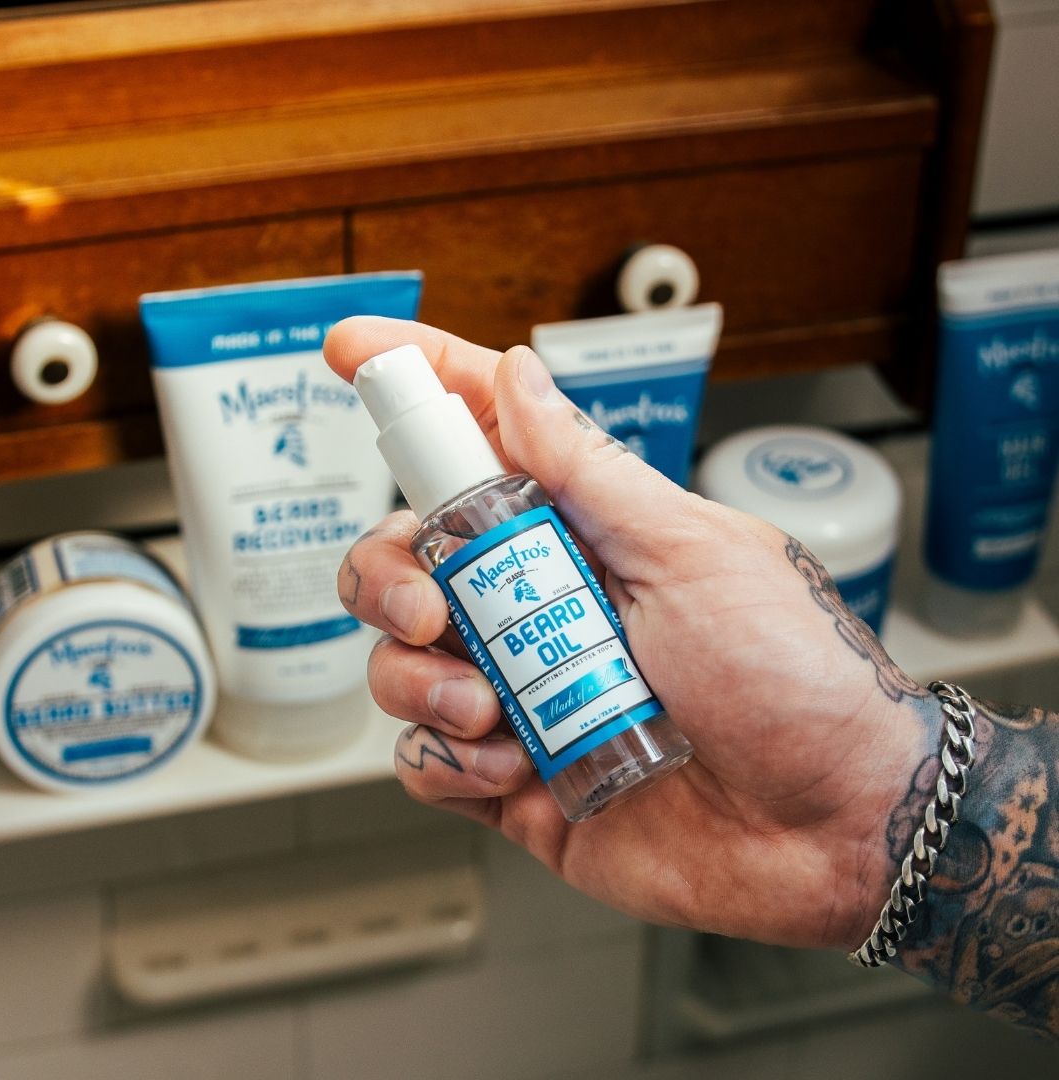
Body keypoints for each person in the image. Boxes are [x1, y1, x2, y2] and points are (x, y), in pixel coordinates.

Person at [323, 316, 1059, 1043]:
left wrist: (870, 791)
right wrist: (870, 816)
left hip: (653, 737)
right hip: (590, 764)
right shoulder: (435, 544)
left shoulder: (518, 498)